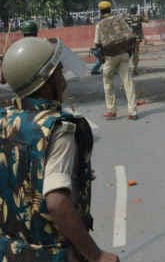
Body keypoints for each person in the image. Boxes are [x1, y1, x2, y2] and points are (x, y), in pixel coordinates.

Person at [0, 37, 119, 261]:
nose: (63, 81)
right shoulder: (58, 129)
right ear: (46, 83)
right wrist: (96, 255)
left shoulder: (5, 120)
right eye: (59, 73)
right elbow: (56, 202)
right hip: (51, 254)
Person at [93, 1, 138, 120]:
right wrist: (128, 52)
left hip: (110, 57)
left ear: (100, 11)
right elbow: (130, 35)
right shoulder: (119, 19)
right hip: (123, 54)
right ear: (110, 9)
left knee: (108, 83)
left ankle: (112, 110)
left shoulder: (99, 25)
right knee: (128, 82)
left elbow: (97, 43)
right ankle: (133, 111)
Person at [124, 4, 148, 76]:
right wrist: (145, 13)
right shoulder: (139, 16)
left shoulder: (126, 17)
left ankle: (124, 69)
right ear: (136, 10)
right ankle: (134, 69)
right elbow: (147, 20)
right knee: (135, 54)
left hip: (128, 38)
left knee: (128, 53)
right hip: (136, 38)